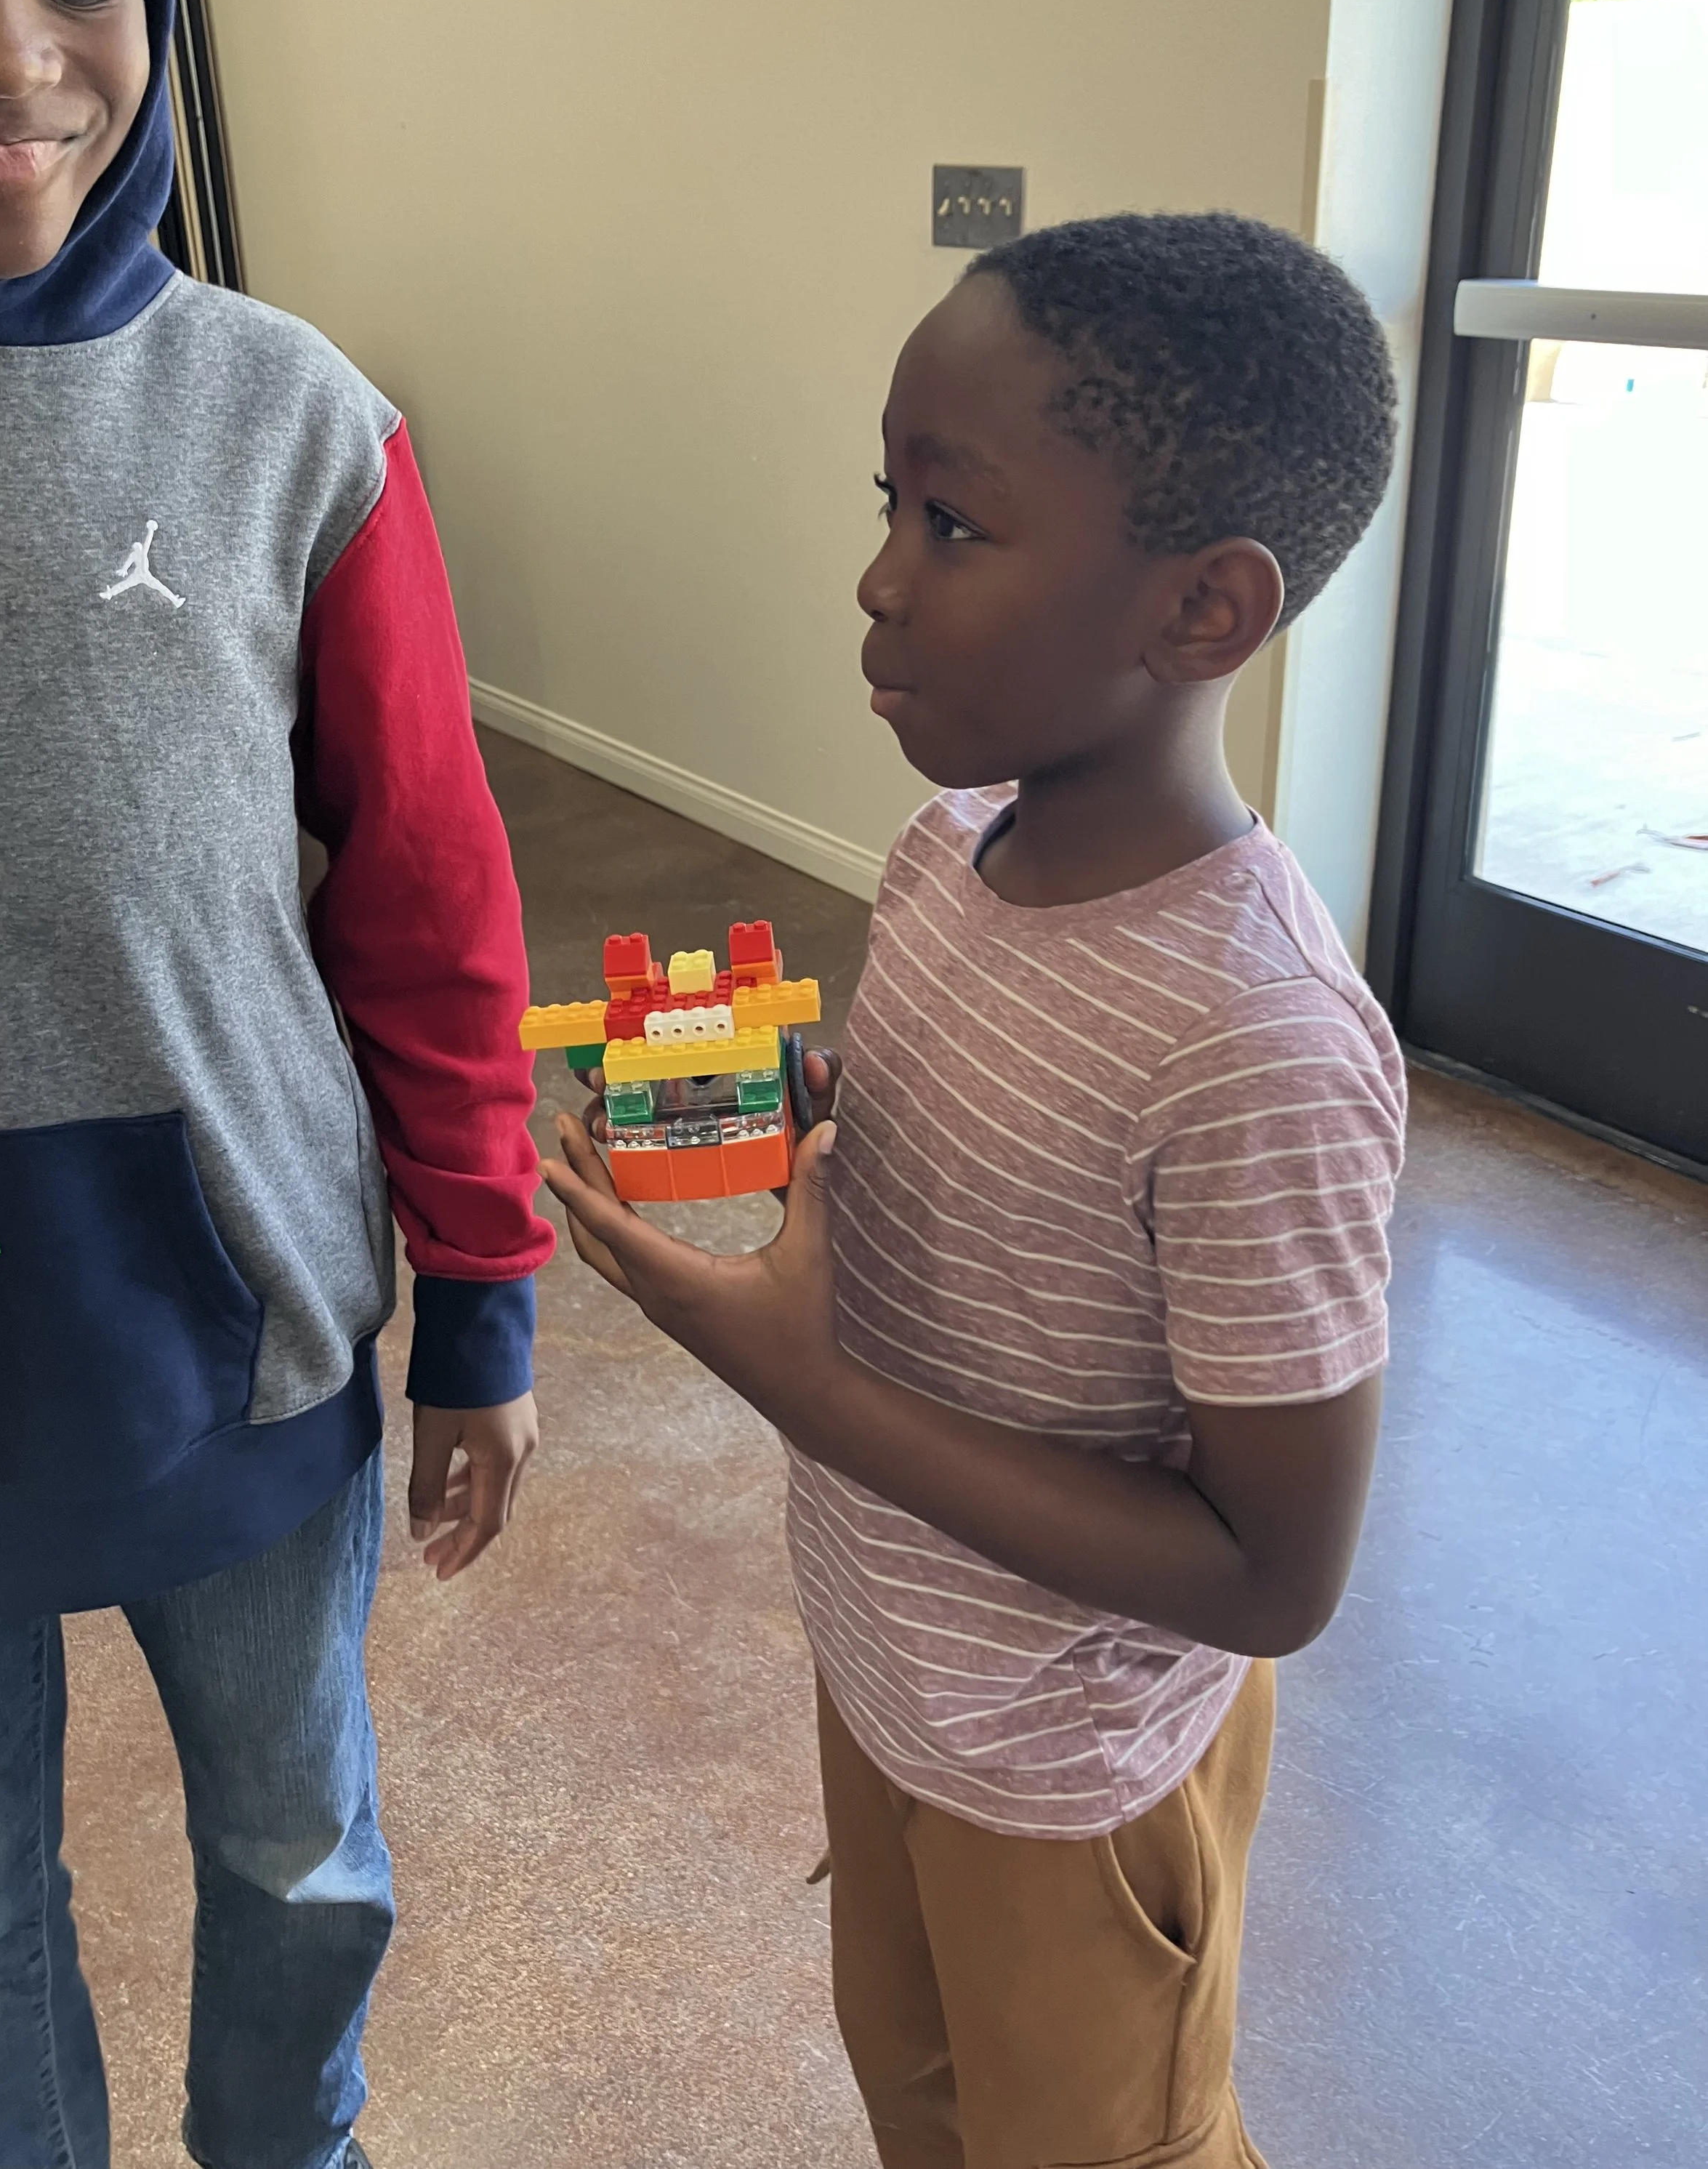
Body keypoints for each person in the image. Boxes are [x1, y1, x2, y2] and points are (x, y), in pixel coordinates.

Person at [548, 212, 1407, 2169]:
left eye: (952, 524)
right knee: (919, 2099)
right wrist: (789, 1120)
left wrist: (794, 1376)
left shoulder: (1259, 1044)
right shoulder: (945, 853)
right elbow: (985, 1175)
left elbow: (1274, 1575)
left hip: (1073, 1769)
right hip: (892, 1664)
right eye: (889, 504)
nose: (877, 577)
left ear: (1202, 611)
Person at [0, 0, 552, 2165]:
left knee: (297, 1852)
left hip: (235, 1304)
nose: (2, 50)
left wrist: (482, 1292)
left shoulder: (292, 422)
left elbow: (427, 899)